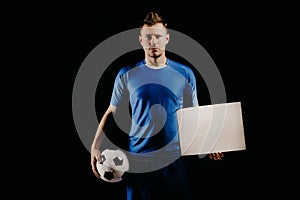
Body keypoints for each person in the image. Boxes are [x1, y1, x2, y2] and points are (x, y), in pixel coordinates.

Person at [91, 11, 224, 200]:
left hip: (173, 163)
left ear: (167, 39)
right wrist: (95, 146)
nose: (153, 41)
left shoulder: (185, 73)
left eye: (158, 36)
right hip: (137, 163)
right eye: (148, 37)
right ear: (141, 40)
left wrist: (209, 143)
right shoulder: (127, 74)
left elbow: (195, 115)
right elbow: (112, 112)